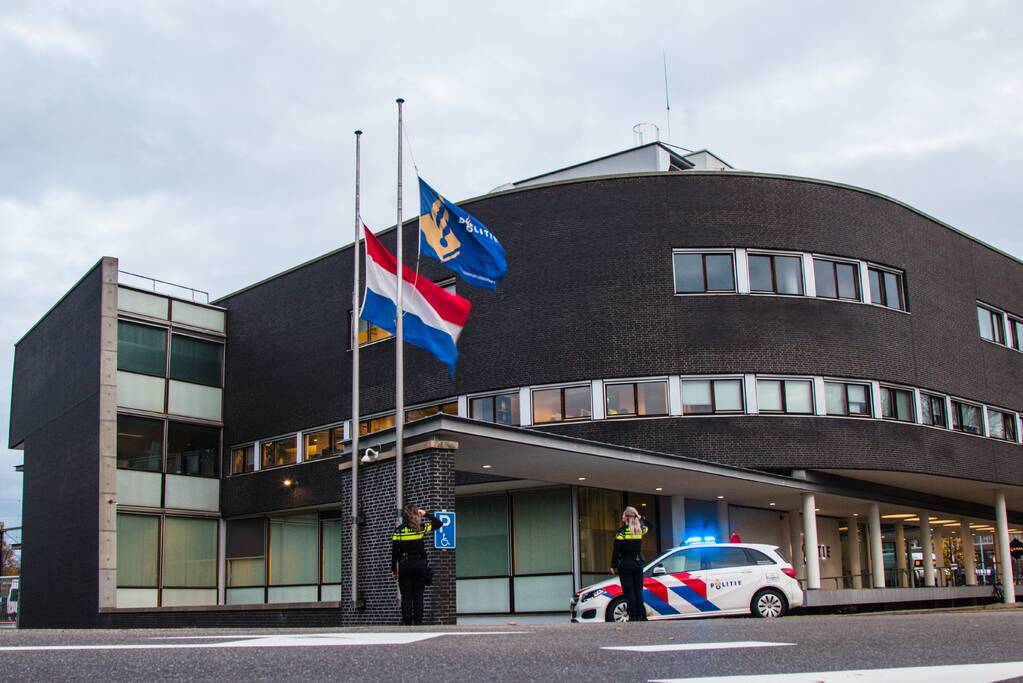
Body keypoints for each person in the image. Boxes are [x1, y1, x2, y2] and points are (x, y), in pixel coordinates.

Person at [390, 503, 443, 626]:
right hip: (419, 565)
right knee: (418, 595)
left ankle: (407, 624)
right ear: (416, 514)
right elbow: (439, 523)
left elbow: (394, 551)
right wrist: (426, 514)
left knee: (406, 596)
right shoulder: (421, 528)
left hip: (405, 565)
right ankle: (418, 623)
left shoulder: (398, 531)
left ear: (405, 515)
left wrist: (393, 568)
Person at [611, 506, 651, 622]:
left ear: (626, 517)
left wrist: (613, 565)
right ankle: (642, 615)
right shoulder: (639, 530)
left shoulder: (622, 531)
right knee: (638, 590)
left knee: (629, 591)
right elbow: (651, 526)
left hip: (626, 564)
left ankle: (632, 616)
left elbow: (616, 549)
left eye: (623, 515)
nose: (622, 517)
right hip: (638, 564)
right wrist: (641, 517)